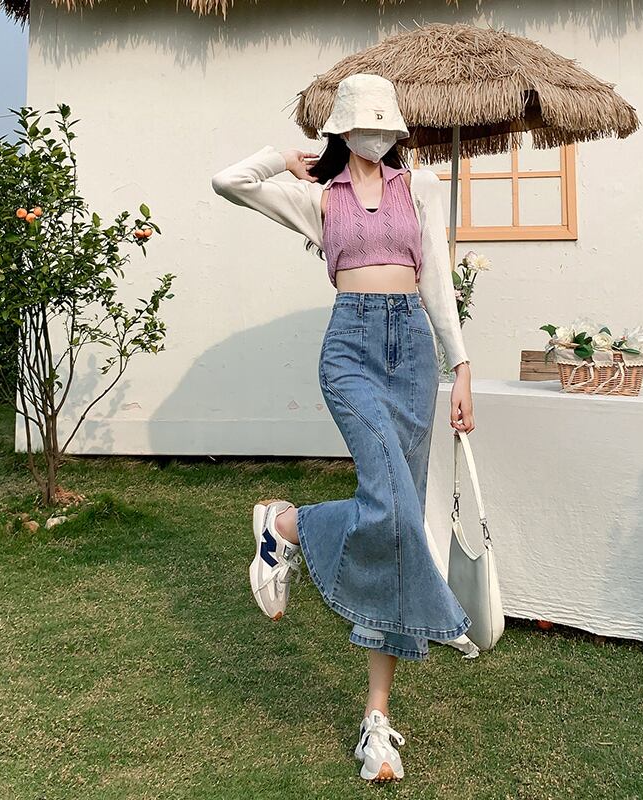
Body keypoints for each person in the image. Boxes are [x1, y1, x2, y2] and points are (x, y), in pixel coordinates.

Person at [211, 72, 475, 783]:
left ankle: (377, 721)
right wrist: (282, 159)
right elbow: (228, 182)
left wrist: (461, 367)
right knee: (391, 504)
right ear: (343, 129)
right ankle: (286, 526)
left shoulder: (421, 189)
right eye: (366, 126)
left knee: (398, 525)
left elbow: (438, 281)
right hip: (351, 353)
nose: (377, 137)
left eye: (387, 127)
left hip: (412, 353)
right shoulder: (318, 198)